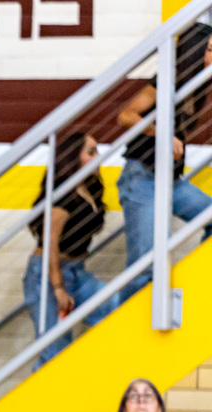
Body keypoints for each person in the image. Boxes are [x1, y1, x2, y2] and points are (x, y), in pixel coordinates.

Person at [116, 21, 212, 304]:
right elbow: (126, 116)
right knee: (143, 267)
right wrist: (163, 134)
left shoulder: (197, 87)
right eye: (209, 49)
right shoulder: (167, 80)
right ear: (194, 51)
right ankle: (123, 331)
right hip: (142, 178)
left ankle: (197, 278)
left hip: (169, 181)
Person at [24, 132, 115, 369]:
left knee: (116, 306)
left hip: (76, 271)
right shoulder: (63, 195)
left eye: (97, 150)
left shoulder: (89, 188)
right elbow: (50, 241)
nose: (98, 157)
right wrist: (57, 287)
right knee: (54, 353)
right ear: (73, 158)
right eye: (91, 151)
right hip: (47, 276)